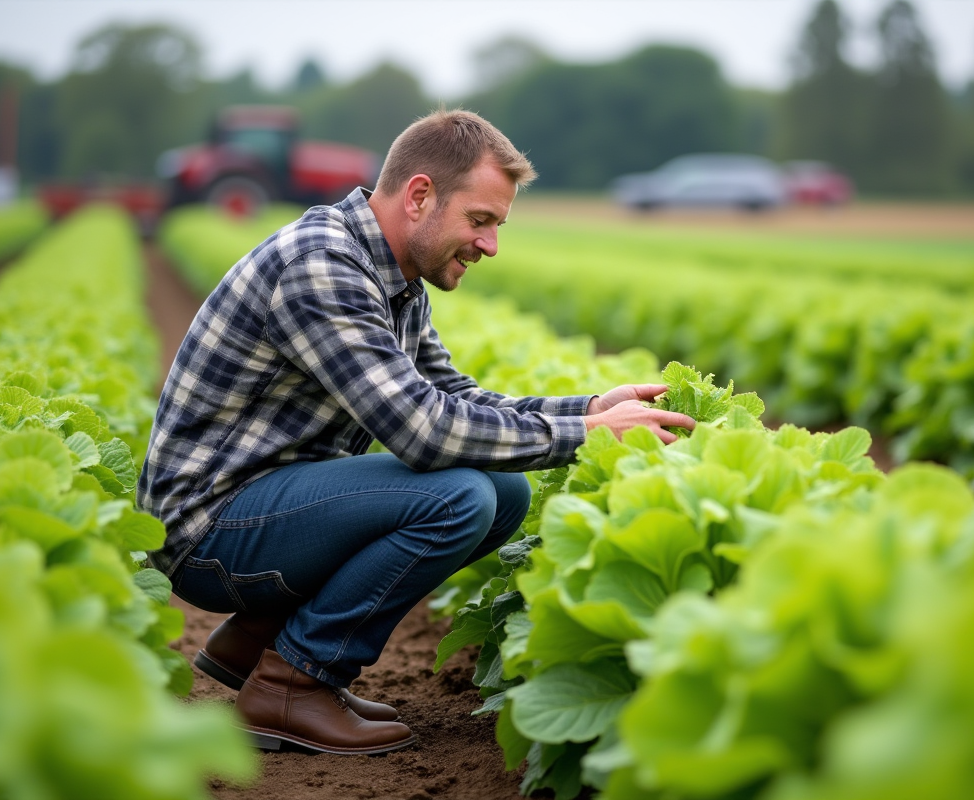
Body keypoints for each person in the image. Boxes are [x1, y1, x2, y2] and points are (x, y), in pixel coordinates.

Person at [138, 108, 695, 755]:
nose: (490, 245)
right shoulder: (324, 266)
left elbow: (455, 397)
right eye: (480, 220)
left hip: (267, 501)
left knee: (503, 492)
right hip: (207, 529)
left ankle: (259, 636)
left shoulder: (395, 276)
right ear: (420, 196)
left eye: (496, 225)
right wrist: (584, 436)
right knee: (458, 497)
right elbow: (423, 432)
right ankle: (294, 682)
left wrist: (591, 409)